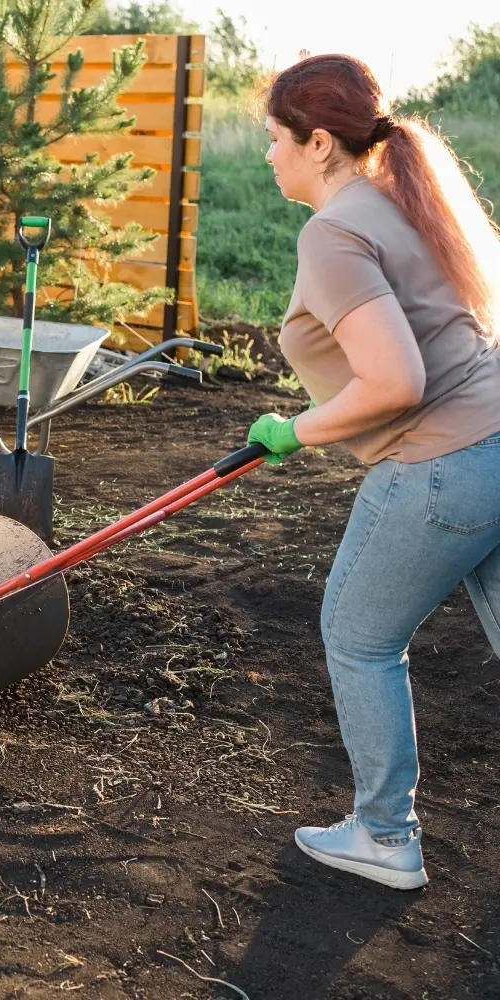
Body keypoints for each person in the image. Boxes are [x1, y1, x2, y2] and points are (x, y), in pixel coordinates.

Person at [245, 54, 500, 890]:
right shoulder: (401, 199)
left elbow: (397, 383)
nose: (269, 156)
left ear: (319, 143)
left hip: (444, 464)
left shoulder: (335, 231)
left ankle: (387, 838)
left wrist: (294, 430)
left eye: (276, 140)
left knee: (359, 638)